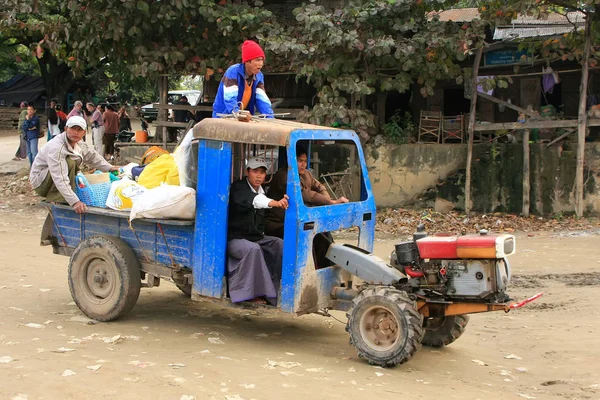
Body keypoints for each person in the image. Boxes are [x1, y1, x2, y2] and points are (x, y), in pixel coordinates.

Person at [226, 156, 289, 305]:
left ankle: (276, 289)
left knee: (279, 244)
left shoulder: (263, 191)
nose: (259, 175)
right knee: (253, 250)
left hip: (255, 237)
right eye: (255, 171)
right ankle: (250, 294)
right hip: (235, 239)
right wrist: (275, 203)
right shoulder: (238, 187)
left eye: (262, 172)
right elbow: (255, 201)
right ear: (248, 172)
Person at [29, 116, 119, 214]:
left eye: (79, 130)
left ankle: (67, 196)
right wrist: (74, 202)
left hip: (56, 179)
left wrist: (109, 168)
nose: (76, 132)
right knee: (70, 163)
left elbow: (92, 156)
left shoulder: (79, 143)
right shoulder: (57, 147)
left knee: (72, 165)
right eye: (73, 128)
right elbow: (60, 177)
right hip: (41, 182)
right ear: (66, 129)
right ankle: (57, 199)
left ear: (84, 132)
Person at [265, 147, 349, 238]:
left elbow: (319, 186)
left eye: (305, 161)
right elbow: (304, 194)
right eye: (300, 161)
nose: (303, 164)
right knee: (309, 235)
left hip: (297, 218)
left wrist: (329, 201)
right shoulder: (283, 176)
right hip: (278, 222)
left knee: (323, 232)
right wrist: (330, 202)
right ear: (292, 161)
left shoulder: (306, 174)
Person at [212, 40, 274, 118]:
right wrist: (237, 113)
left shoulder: (259, 76)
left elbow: (261, 99)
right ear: (247, 61)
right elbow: (230, 98)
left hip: (243, 116)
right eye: (257, 60)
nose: (261, 63)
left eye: (262, 60)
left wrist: (270, 116)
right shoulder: (233, 72)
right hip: (224, 116)